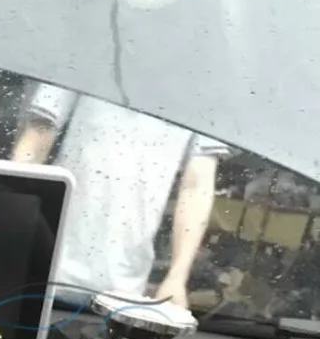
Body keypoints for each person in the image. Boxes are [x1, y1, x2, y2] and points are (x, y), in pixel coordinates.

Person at [12, 82, 226, 310]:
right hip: (42, 269)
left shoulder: (207, 83)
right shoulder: (83, 60)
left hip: (123, 293)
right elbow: (35, 143)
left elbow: (197, 185)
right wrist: (9, 235)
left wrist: (177, 277)